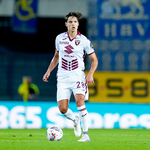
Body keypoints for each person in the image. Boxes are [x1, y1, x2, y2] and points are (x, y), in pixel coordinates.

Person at [43, 11, 98, 142]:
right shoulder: (59, 38)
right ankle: (75, 119)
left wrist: (90, 75)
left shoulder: (84, 41)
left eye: (75, 22)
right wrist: (49, 71)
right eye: (70, 22)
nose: (73, 24)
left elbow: (94, 60)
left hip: (78, 76)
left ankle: (86, 135)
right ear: (66, 24)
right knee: (63, 109)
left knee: (80, 102)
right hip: (62, 77)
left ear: (78, 24)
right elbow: (56, 57)